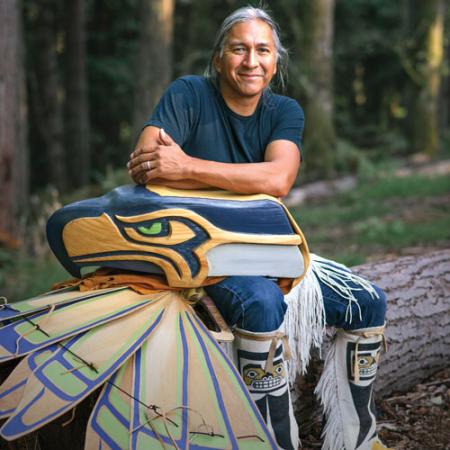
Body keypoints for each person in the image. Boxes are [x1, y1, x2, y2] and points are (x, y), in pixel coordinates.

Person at [127, 6, 391, 450]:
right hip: (202, 254)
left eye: (262, 50)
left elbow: (277, 180)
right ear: (219, 58)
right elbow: (147, 166)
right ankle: (269, 442)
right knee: (264, 302)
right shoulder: (189, 94)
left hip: (269, 247)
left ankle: (354, 438)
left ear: (275, 60)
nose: (251, 61)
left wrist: (187, 167)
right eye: (239, 48)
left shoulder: (284, 111)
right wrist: (239, 179)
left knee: (368, 302)